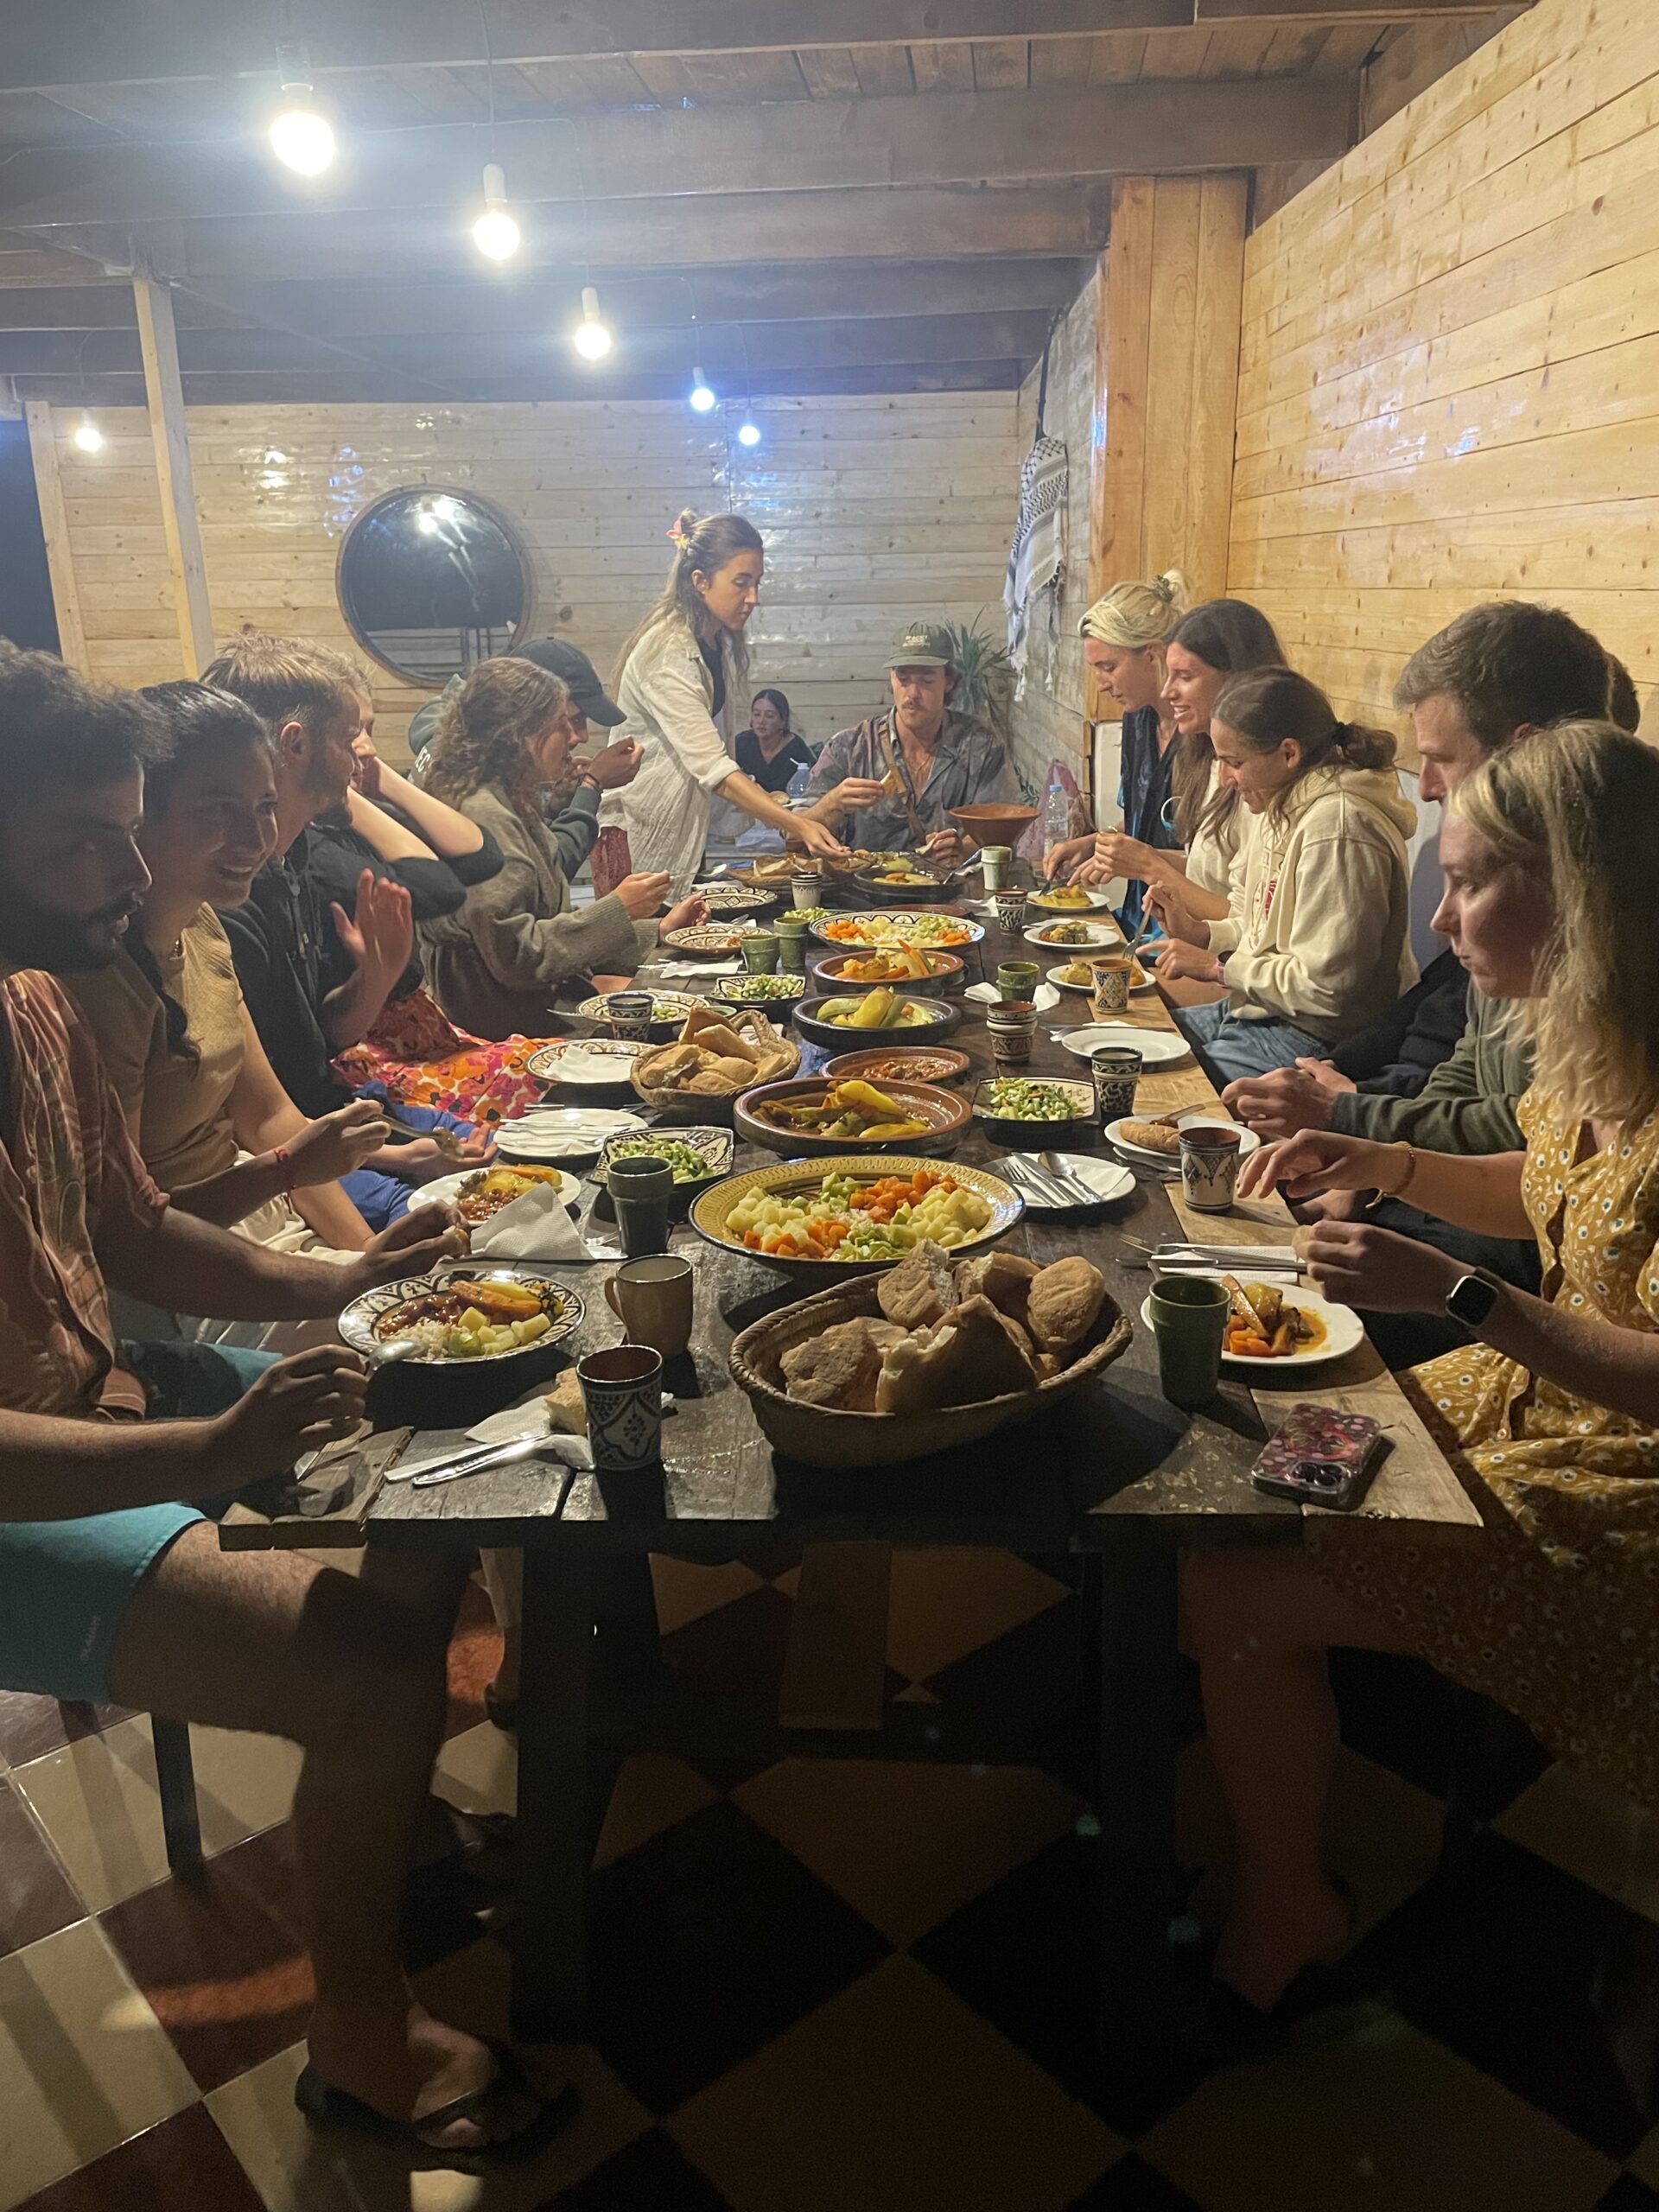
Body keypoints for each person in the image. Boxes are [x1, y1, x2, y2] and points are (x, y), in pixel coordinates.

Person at [0, 646, 570, 2167]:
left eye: (133, 830)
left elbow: (133, 1232)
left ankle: (384, 1816)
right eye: (86, 840)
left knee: (446, 1437)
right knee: (376, 1675)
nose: (134, 873)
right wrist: (206, 1446)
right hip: (22, 1486)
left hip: (108, 1391)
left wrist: (345, 1280)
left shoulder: (39, 1002)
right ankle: (365, 2051)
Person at [1183, 721, 1659, 2031]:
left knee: (1235, 1585)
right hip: (1543, 1399)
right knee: (1252, 1473)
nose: (1440, 921)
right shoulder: (1596, 1032)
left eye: (1467, 884)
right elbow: (1540, 1183)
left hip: (1625, 1477)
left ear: (1584, 896)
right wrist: (1379, 1160)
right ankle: (1297, 1789)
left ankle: (1293, 1911)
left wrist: (1454, 1291)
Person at [1220, 607, 1623, 1147]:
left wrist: (1357, 1122)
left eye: (1440, 758)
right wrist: (1380, 1156)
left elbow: (1543, 1138)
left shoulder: (1586, 920)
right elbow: (1464, 1061)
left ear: (1523, 751)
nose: (1427, 787)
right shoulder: (1513, 907)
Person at [63, 683, 389, 1266]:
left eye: (264, 807)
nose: (257, 838)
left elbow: (268, 1116)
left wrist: (371, 1260)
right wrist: (287, 1173)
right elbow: (124, 1234)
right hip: (184, 1265)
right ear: (137, 816)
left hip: (262, 1217)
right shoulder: (102, 982)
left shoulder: (202, 922)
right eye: (219, 810)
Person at [203, 636, 489, 1227]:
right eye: (348, 737)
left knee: (502, 1149)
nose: (362, 757)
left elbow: (322, 1040)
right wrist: (397, 1158)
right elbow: (260, 1116)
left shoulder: (295, 857)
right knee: (461, 1214)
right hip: (289, 1151)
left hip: (334, 1111)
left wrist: (375, 977)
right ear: (295, 744)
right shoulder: (230, 901)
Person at [419, 656, 708, 1039]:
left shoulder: (506, 796)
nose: (575, 738)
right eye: (561, 724)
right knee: (683, 1028)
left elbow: (549, 919)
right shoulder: (484, 814)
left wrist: (658, 929)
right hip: (513, 1033)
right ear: (520, 734)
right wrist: (620, 909)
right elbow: (518, 958)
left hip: (533, 1011)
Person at [1154, 668, 1416, 1083]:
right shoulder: (1279, 805)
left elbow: (1327, 990)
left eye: (1234, 763)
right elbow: (1257, 926)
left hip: (1315, 1039)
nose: (1225, 779)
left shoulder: (1338, 827)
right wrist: (1200, 932)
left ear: (1289, 754)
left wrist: (1218, 969)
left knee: (1159, 1083)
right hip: (1258, 1010)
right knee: (1132, 1041)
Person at [603, 510, 845, 893]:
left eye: (757, 583)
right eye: (741, 583)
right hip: (640, 839)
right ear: (700, 581)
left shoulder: (716, 645)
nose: (753, 598)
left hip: (684, 836)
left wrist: (786, 808)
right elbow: (713, 768)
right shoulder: (668, 650)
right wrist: (798, 824)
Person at [1041, 569, 1187, 936]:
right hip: (1135, 922)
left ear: (1153, 656)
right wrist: (1094, 843)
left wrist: (1139, 859)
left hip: (1183, 933)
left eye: (1109, 667)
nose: (1102, 685)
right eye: (1096, 670)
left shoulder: (1201, 736)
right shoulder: (1137, 720)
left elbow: (1219, 867)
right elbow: (1143, 820)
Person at [803, 620, 1017, 861]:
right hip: (866, 883)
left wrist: (964, 848)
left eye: (926, 681)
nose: (912, 694)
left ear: (949, 681)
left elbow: (1002, 830)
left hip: (952, 882)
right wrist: (833, 802)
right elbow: (794, 834)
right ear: (891, 678)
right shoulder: (850, 748)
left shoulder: (981, 746)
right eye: (903, 679)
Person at [734, 686, 814, 794]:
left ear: (783, 721)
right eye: (757, 714)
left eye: (770, 716)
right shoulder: (742, 743)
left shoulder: (797, 749)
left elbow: (811, 786)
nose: (761, 721)